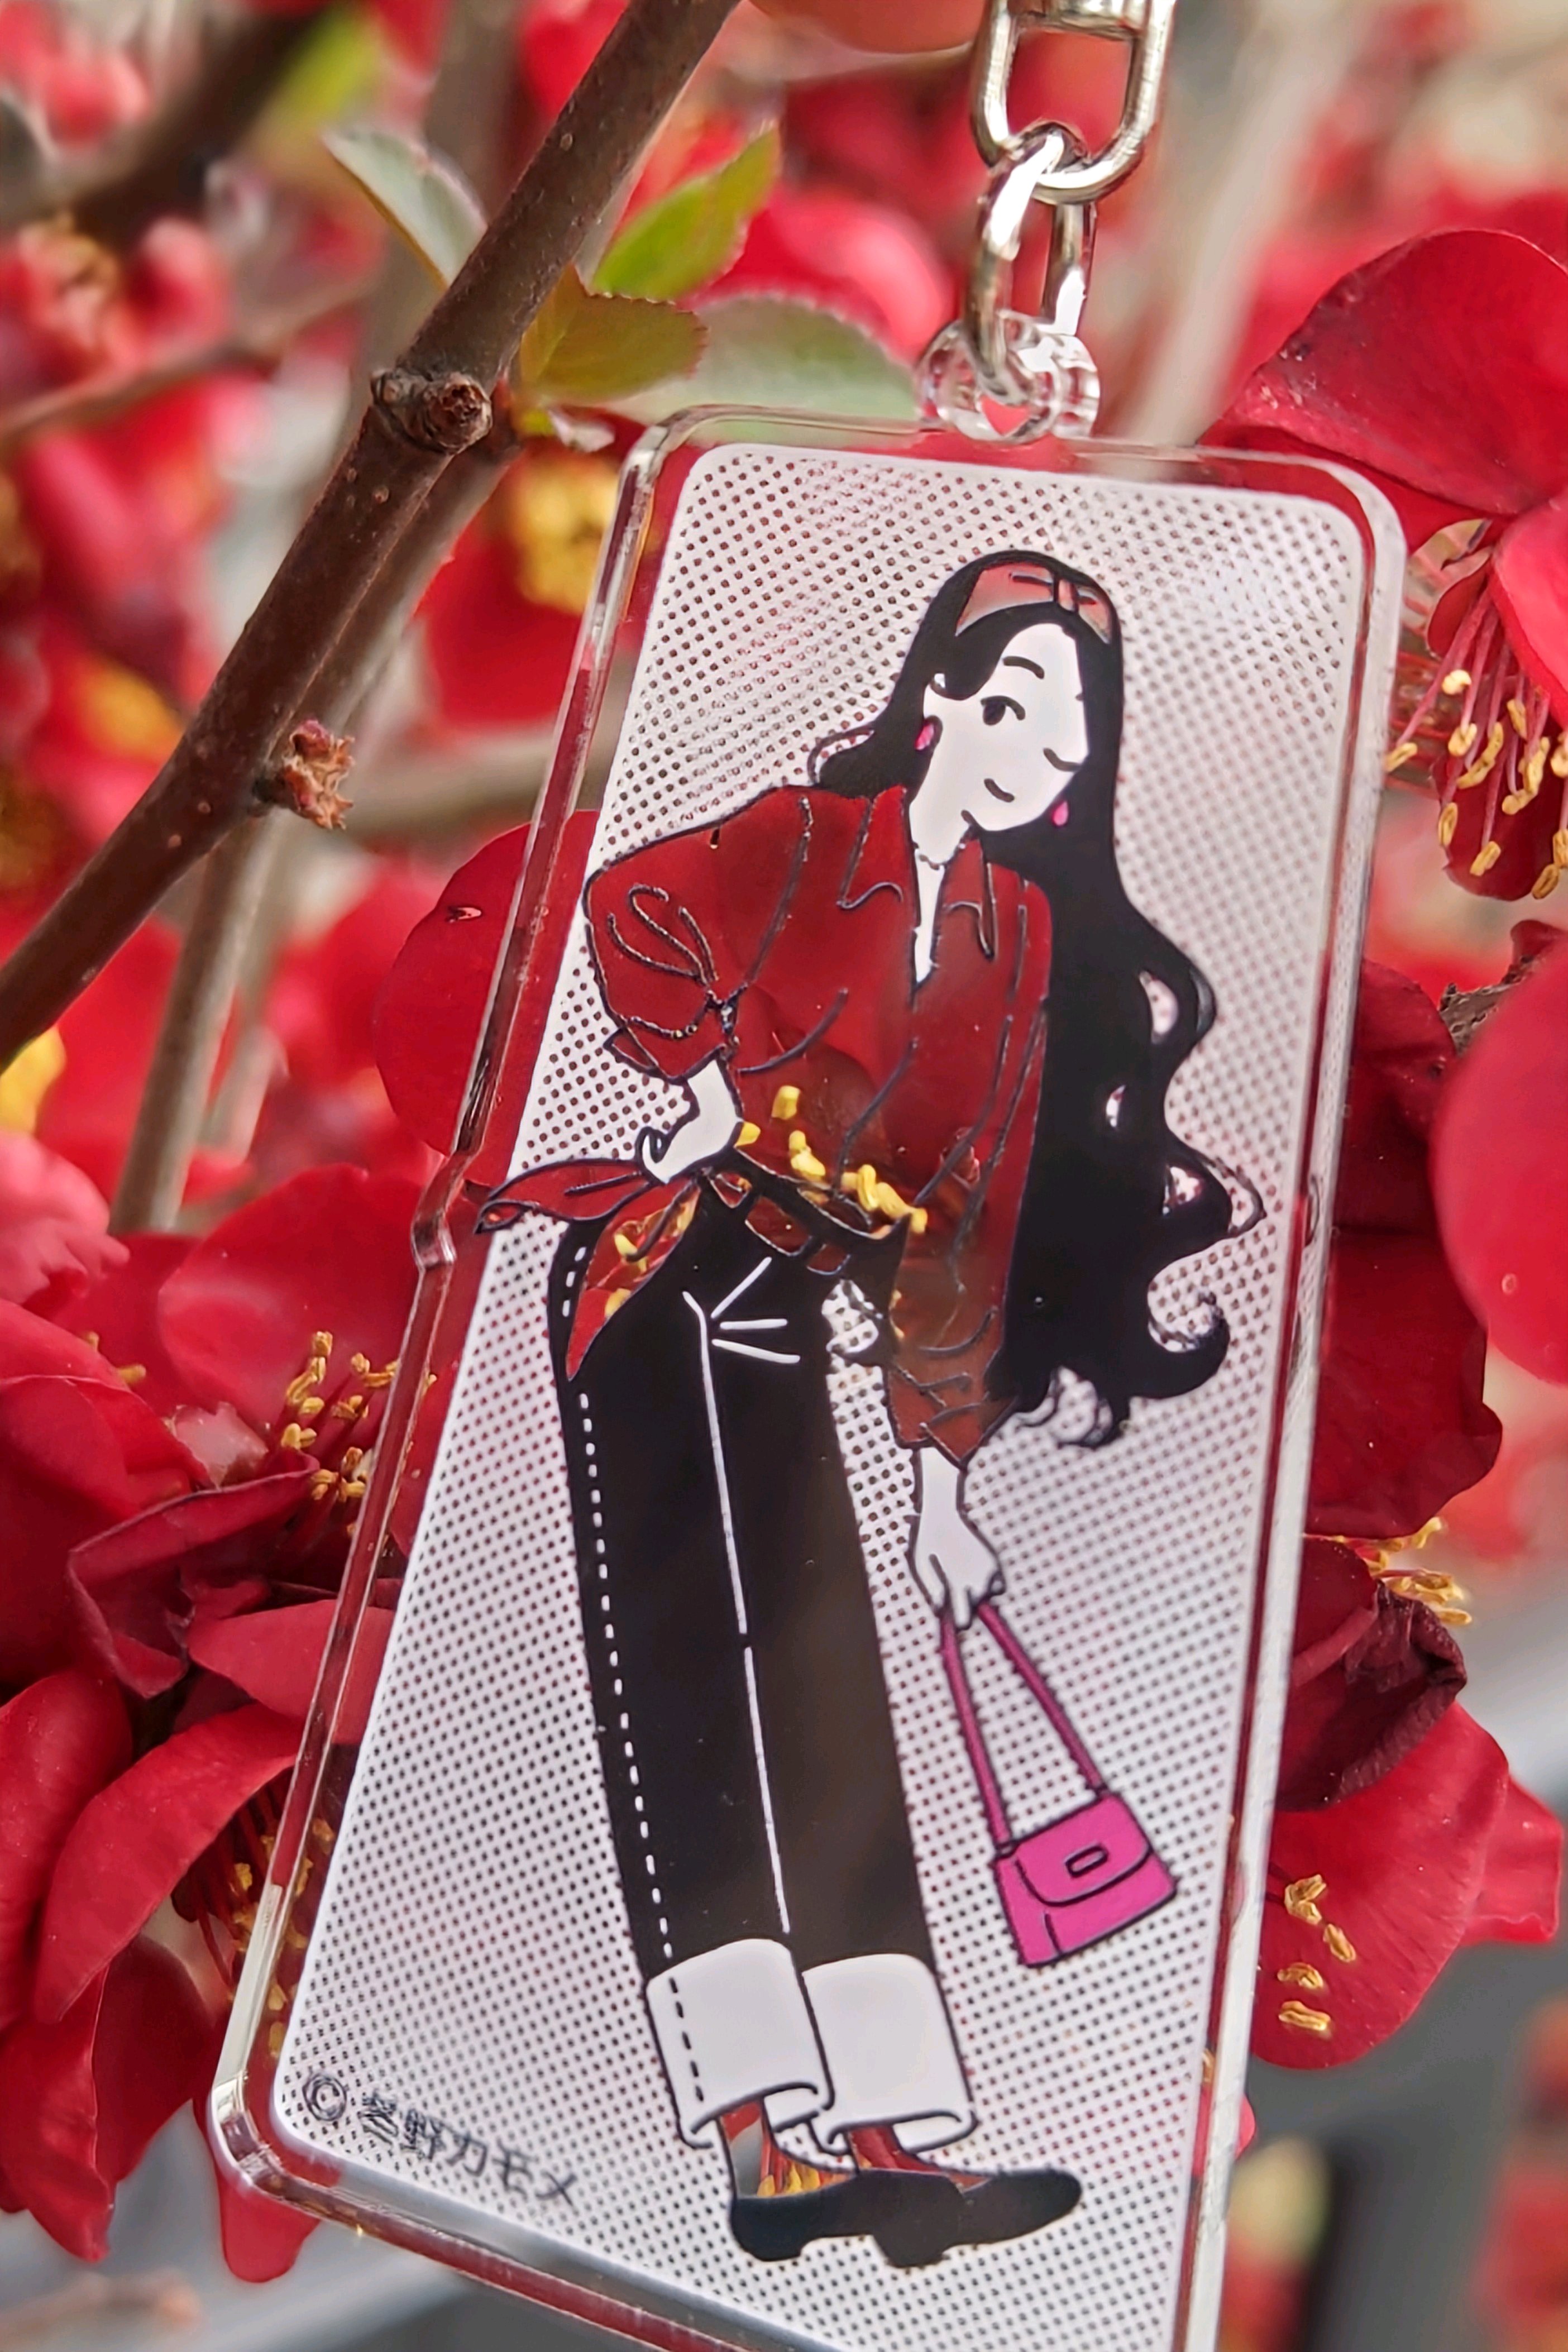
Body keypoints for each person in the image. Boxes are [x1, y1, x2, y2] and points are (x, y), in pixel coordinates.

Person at [490, 552, 1240, 2268]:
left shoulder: (1015, 933)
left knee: (824, 1679)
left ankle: (892, 2124)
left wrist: (942, 1483)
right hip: (668, 1275)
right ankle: (766, 2135)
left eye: (1073, 730)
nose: (1046, 749)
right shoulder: (806, 837)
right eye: (1021, 703)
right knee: (702, 1677)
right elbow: (633, 908)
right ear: (942, 701)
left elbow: (967, 1206)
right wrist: (703, 1084)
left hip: (793, 1302)